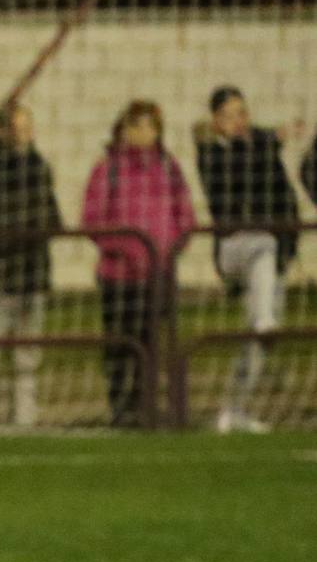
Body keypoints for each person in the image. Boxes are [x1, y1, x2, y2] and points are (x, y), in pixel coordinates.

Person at [193, 86, 302, 433]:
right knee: (262, 240)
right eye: (229, 115)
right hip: (233, 250)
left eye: (242, 113)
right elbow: (233, 181)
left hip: (268, 258)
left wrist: (290, 244)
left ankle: (233, 410)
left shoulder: (263, 147)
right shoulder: (211, 151)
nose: (239, 121)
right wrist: (271, 138)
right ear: (215, 121)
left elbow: (283, 197)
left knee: (258, 337)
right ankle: (265, 319)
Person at [81, 100, 194, 428]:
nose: (143, 133)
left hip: (159, 274)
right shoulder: (108, 168)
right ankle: (121, 405)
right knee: (120, 342)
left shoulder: (169, 167)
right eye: (136, 126)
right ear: (124, 129)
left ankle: (146, 405)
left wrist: (172, 248)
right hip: (119, 275)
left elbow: (184, 214)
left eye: (150, 127)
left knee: (151, 341)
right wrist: (126, 248)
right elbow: (92, 219)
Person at [0, 103, 62, 426]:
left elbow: (51, 216)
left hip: (30, 274)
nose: (21, 133)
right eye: (15, 127)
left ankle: (24, 416)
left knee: (27, 355)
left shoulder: (39, 166)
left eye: (26, 126)